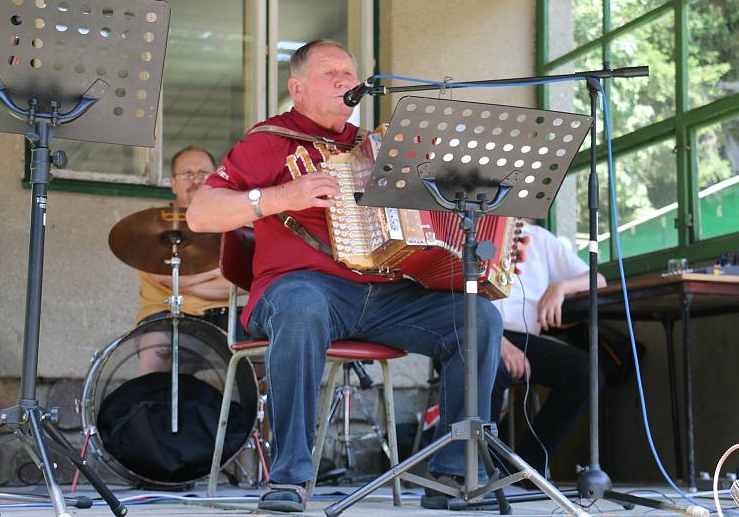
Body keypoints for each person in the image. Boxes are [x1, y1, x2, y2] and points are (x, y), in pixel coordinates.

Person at [187, 39, 511, 512]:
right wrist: (278, 198)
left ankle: (457, 474)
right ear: (296, 89)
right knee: (301, 308)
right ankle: (290, 479)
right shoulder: (268, 142)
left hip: (385, 295)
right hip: (301, 287)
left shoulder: (380, 148)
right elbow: (200, 213)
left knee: (478, 317)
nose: (344, 80)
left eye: (349, 72)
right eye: (329, 73)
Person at [491, 220, 609, 479]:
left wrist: (560, 287)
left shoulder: (538, 238)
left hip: (525, 338)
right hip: (478, 335)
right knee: (492, 367)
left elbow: (597, 279)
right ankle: (481, 466)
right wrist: (499, 343)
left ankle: (526, 465)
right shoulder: (470, 232)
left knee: (585, 372)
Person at [136, 146, 233, 373]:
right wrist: (219, 271)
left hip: (223, 317)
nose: (195, 180)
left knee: (267, 353)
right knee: (154, 349)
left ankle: (253, 409)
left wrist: (191, 280)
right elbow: (167, 277)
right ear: (172, 183)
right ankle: (152, 407)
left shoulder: (229, 223)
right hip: (165, 316)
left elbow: (245, 282)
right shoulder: (151, 225)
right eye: (187, 174)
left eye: (202, 174)